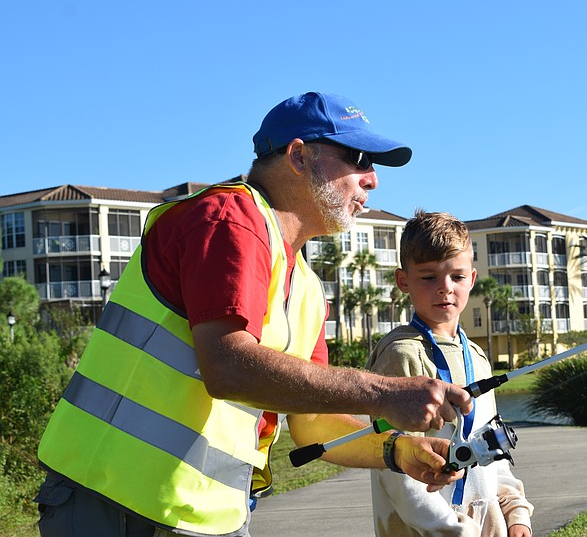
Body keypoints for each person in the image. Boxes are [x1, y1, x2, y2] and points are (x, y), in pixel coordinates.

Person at [34, 92, 473, 537]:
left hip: (206, 516)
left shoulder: (304, 285)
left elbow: (311, 424)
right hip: (117, 502)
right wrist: (383, 392)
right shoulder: (227, 218)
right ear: (298, 156)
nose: (372, 180)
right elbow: (227, 367)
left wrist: (398, 450)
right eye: (359, 158)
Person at [367, 210, 533, 537]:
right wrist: (455, 530)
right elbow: (394, 467)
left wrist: (515, 511)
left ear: (472, 279)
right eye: (428, 277)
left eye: (456, 277)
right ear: (404, 281)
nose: (445, 288)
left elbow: (490, 445)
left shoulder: (477, 357)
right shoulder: (400, 355)